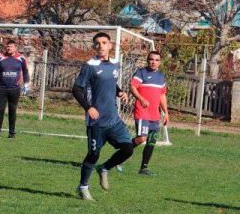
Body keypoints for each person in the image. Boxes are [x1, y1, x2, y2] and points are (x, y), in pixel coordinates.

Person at [71, 32, 136, 201]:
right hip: (96, 121)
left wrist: (120, 92)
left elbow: (111, 83)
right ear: (94, 46)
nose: (101, 46)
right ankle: (83, 187)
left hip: (113, 119)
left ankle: (105, 168)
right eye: (97, 43)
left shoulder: (115, 64)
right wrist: (88, 107)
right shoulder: (90, 66)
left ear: (110, 45)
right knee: (93, 155)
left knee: (128, 149)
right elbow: (76, 89)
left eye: (104, 42)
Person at [130, 50, 169, 176]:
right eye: (151, 59)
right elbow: (133, 87)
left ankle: (144, 168)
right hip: (142, 112)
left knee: (152, 140)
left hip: (155, 114)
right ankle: (121, 154)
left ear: (160, 62)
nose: (154, 62)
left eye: (157, 60)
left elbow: (162, 95)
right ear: (147, 60)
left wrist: (166, 113)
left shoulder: (161, 76)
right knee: (142, 138)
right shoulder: (141, 72)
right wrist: (141, 99)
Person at [0, 40, 30, 138]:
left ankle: (11, 133)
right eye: (7, 46)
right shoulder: (0, 57)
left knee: (12, 111)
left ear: (15, 48)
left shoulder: (21, 58)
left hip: (15, 89)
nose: (9, 48)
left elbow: (25, 71)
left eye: (11, 46)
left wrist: (26, 85)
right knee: (0, 110)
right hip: (2, 89)